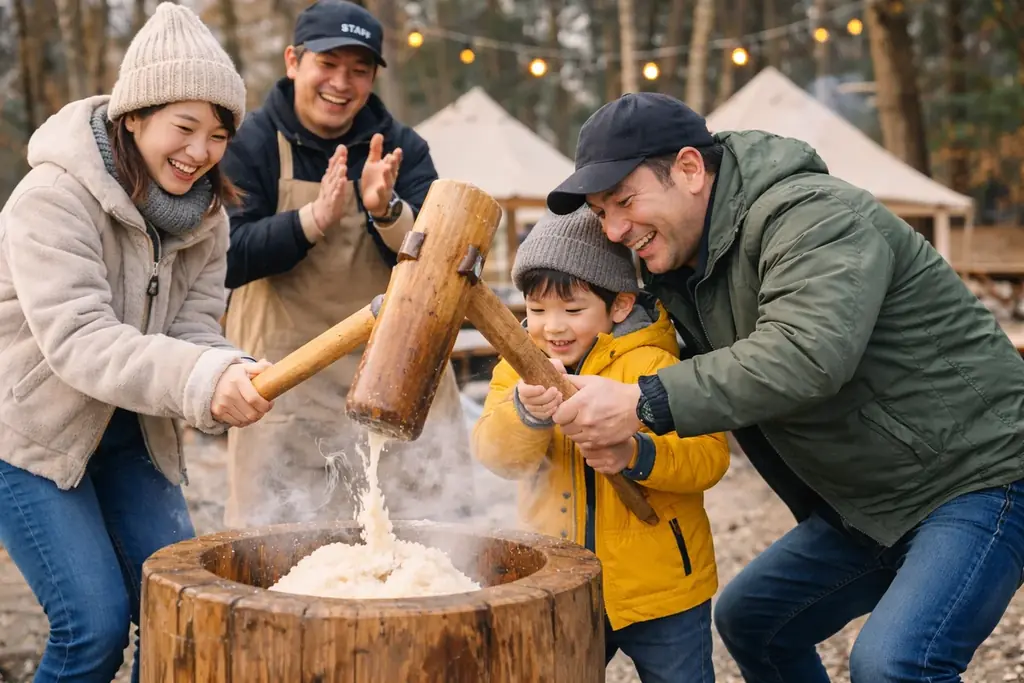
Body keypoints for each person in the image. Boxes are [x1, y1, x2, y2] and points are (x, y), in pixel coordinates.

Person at [543, 92, 1024, 683]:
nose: (614, 229)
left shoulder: (814, 216)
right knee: (754, 621)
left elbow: (807, 354)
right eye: (600, 212)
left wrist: (644, 401)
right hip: (872, 502)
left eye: (624, 201)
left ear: (691, 170)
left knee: (894, 664)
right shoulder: (682, 267)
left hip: (978, 477)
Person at [0, 4, 272, 681]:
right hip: (32, 432)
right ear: (134, 117)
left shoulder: (208, 221)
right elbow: (81, 341)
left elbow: (193, 331)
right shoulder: (52, 198)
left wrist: (223, 370)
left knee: (183, 613)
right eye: (184, 126)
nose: (200, 151)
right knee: (91, 627)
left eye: (217, 134)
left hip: (130, 429)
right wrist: (201, 376)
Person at [219, 0, 470, 528]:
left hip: (399, 385)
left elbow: (443, 268)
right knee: (285, 560)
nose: (341, 83)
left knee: (414, 553)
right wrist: (309, 222)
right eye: (328, 64)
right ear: (293, 61)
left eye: (359, 70)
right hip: (287, 396)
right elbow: (225, 258)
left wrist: (387, 211)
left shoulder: (404, 147)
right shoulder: (252, 144)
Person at [472, 208, 730, 683]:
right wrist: (525, 415)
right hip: (557, 581)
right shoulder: (518, 372)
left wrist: (637, 455)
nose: (553, 326)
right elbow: (495, 456)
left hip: (662, 586)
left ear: (620, 305)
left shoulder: (654, 365)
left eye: (572, 310)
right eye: (536, 310)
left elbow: (710, 458)